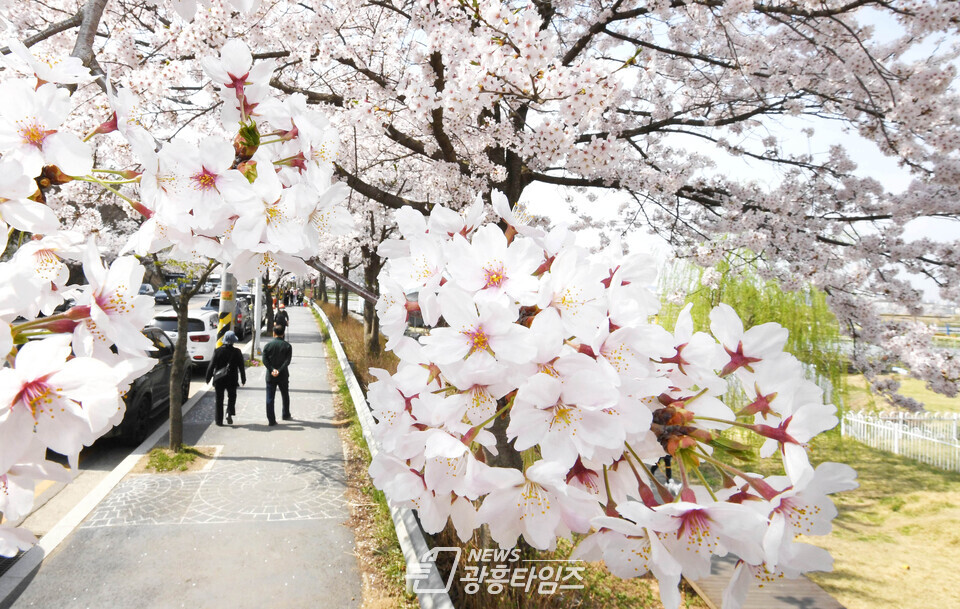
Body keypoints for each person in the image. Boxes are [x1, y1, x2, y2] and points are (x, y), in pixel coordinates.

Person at [205, 330, 246, 426]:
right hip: (232, 379)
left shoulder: (218, 351)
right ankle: (229, 411)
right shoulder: (237, 352)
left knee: (219, 399)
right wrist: (243, 378)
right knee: (232, 397)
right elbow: (241, 367)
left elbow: (211, 365)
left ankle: (219, 421)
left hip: (219, 379)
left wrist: (208, 377)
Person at [262, 326, 293, 425]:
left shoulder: (267, 346)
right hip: (283, 375)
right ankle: (285, 414)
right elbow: (287, 361)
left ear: (274, 333)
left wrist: (272, 369)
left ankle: (271, 420)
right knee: (285, 395)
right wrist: (279, 370)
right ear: (283, 334)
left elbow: (264, 360)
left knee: (270, 397)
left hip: (270, 376)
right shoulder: (287, 346)